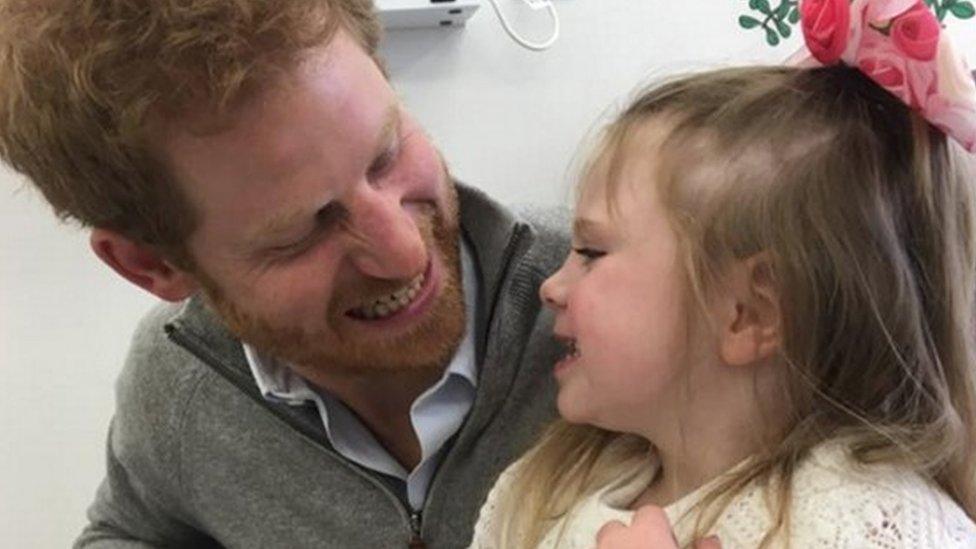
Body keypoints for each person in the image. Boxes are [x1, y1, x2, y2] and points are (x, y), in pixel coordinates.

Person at [0, 1, 568, 547]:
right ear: (151, 265)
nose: (405, 254)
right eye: (304, 229)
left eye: (386, 154)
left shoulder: (624, 301)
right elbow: (127, 532)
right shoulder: (181, 380)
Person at [469, 1, 976, 547]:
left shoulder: (870, 524)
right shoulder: (539, 493)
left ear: (747, 313)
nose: (552, 287)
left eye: (591, 251)